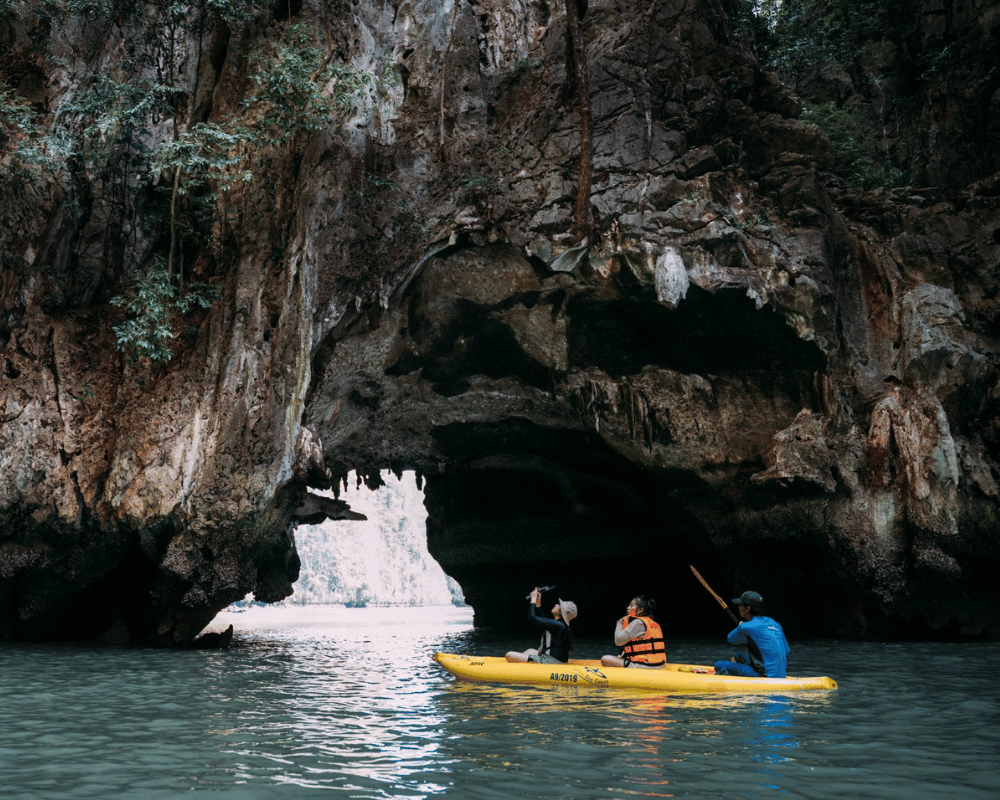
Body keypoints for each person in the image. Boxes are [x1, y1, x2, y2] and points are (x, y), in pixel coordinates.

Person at [713, 590, 789, 677]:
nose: (738, 607)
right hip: (781, 674)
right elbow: (786, 650)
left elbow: (731, 639)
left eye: (740, 605)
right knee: (738, 657)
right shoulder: (775, 623)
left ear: (747, 609)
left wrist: (740, 628)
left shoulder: (745, 626)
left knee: (719, 665)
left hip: (764, 675)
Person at [505, 587, 577, 663]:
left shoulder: (558, 625)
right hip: (552, 658)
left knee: (509, 655)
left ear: (562, 612)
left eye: (559, 605)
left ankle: (532, 663)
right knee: (529, 651)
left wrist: (533, 600)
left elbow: (532, 618)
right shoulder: (559, 624)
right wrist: (538, 603)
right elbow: (543, 619)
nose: (556, 604)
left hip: (551, 661)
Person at [600, 595, 667, 668]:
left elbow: (618, 641)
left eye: (631, 605)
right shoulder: (653, 623)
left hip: (645, 666)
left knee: (605, 659)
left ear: (640, 610)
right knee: (619, 657)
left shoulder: (637, 623)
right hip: (660, 664)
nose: (628, 608)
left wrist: (619, 622)